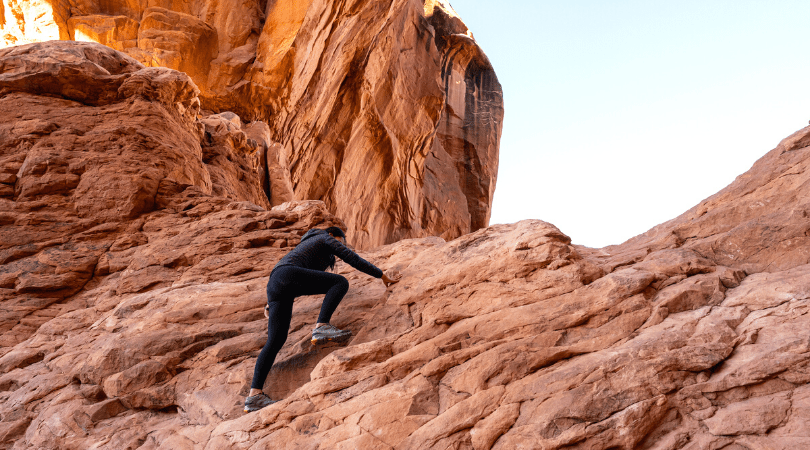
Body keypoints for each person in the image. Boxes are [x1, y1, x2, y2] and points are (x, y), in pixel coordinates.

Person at [244, 226, 401, 412]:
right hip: (288, 275)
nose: (340, 246)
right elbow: (352, 258)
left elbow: (288, 276)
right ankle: (321, 327)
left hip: (277, 283)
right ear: (332, 235)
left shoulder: (306, 246)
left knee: (275, 340)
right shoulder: (323, 237)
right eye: (340, 241)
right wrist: (381, 275)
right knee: (339, 282)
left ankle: (254, 396)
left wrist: (271, 303)